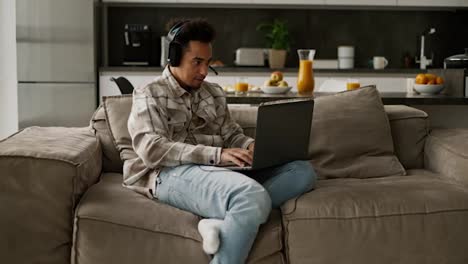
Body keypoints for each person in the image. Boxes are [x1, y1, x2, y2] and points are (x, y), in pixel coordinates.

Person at [126, 18, 317, 264]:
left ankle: (223, 222)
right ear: (174, 57)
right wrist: (216, 154)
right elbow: (151, 149)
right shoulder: (150, 93)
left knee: (303, 172)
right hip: (169, 173)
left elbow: (230, 133)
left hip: (219, 172)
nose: (204, 72)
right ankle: (237, 216)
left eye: (207, 63)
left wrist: (249, 146)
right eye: (197, 62)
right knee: (250, 196)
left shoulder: (213, 92)